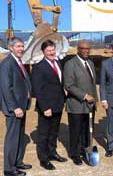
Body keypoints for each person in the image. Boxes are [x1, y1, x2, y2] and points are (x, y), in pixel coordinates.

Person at [31, 40, 67, 170]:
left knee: (54, 132)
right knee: (44, 134)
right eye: (48, 51)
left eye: (53, 50)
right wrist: (45, 107)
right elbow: (37, 89)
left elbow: (59, 83)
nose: (51, 52)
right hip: (46, 106)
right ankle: (44, 159)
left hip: (58, 103)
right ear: (43, 52)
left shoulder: (58, 63)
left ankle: (52, 153)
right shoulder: (38, 67)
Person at [63, 40, 98, 165]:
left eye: (88, 48)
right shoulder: (70, 64)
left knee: (87, 130)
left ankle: (85, 151)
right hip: (76, 105)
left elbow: (93, 84)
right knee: (76, 131)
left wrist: (95, 101)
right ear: (78, 49)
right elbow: (68, 85)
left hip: (89, 105)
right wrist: (84, 96)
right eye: (83, 48)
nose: (86, 50)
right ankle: (75, 154)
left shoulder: (91, 63)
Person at [0, 37, 31, 176]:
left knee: (18, 136)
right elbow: (6, 88)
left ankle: (17, 162)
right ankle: (9, 169)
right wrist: (14, 107)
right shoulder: (7, 63)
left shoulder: (18, 61)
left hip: (21, 106)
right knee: (12, 138)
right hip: (15, 108)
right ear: (11, 47)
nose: (21, 49)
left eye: (22, 46)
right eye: (18, 46)